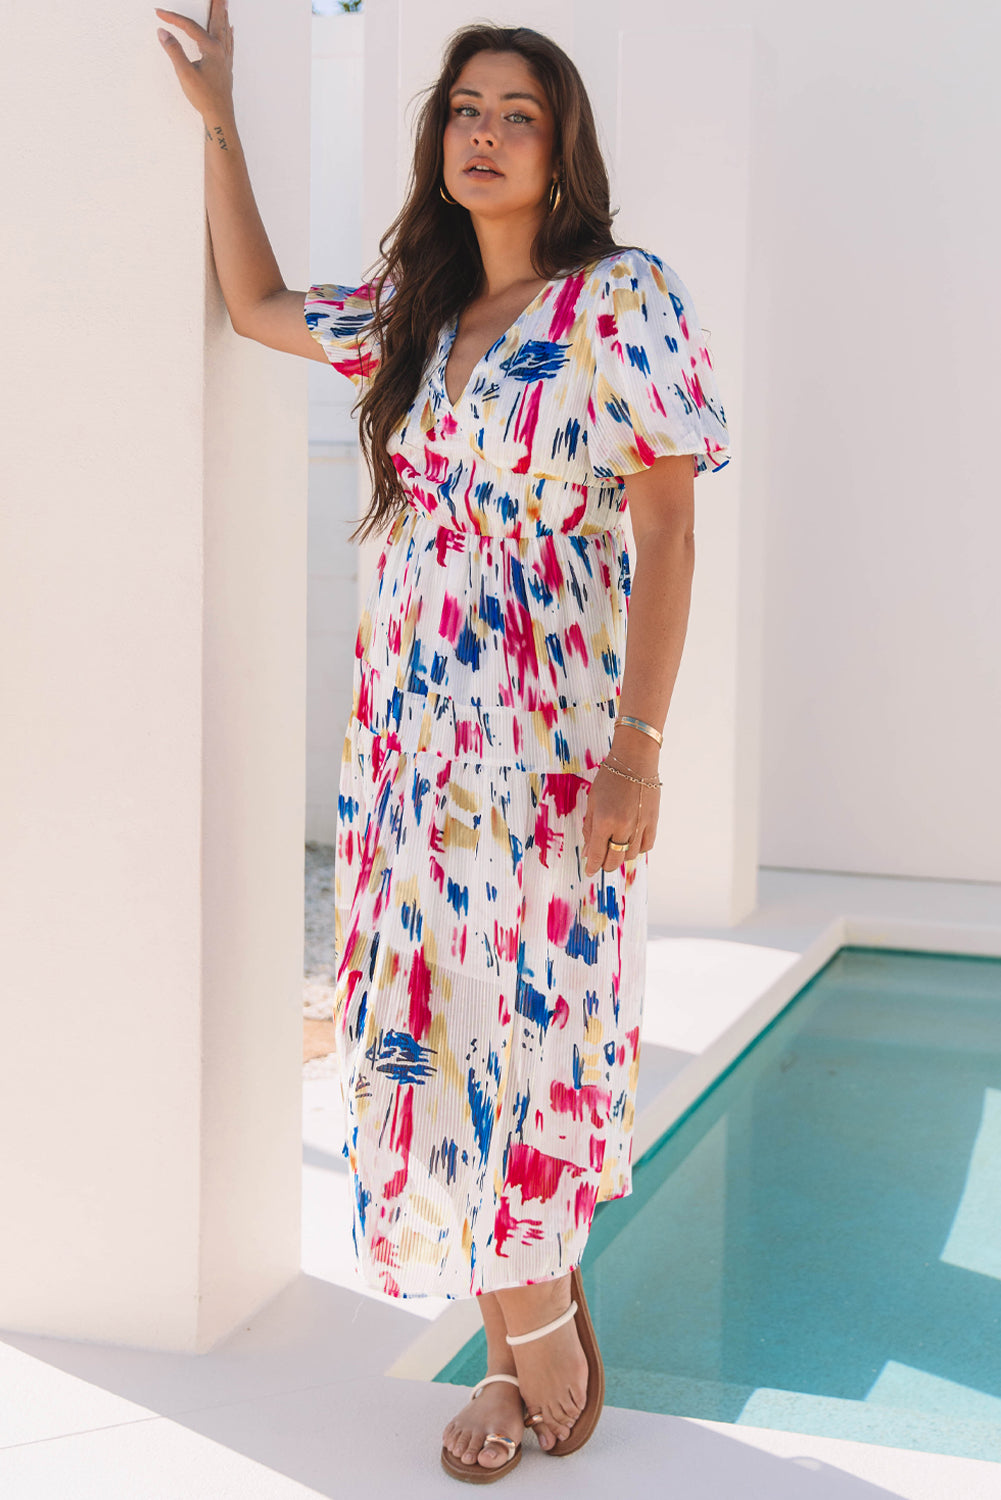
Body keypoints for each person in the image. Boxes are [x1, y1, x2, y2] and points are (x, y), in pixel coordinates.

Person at [156, 3, 730, 1482]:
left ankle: (528, 1319)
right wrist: (222, 126)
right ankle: (512, 1324)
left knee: (536, 1006)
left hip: (551, 738)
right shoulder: (412, 310)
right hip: (408, 736)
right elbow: (255, 304)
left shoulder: (618, 300)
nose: (485, 134)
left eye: (517, 115)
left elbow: (668, 528)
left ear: (562, 148)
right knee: (428, 1015)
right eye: (466, 108)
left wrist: (640, 748)